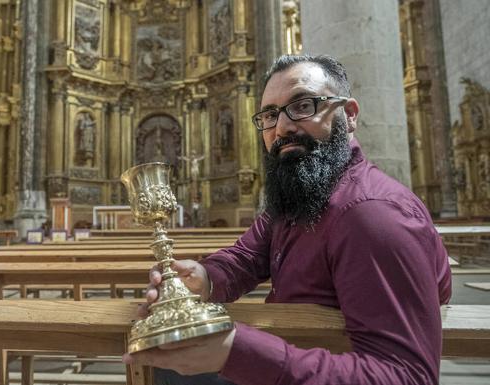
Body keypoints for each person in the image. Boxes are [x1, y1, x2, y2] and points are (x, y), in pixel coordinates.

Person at [123, 54, 452, 385]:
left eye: (304, 105)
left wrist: (235, 352)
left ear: (349, 115)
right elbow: (249, 256)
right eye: (269, 115)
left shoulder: (374, 215)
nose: (282, 127)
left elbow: (407, 377)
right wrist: (206, 277)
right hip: (295, 356)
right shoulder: (303, 190)